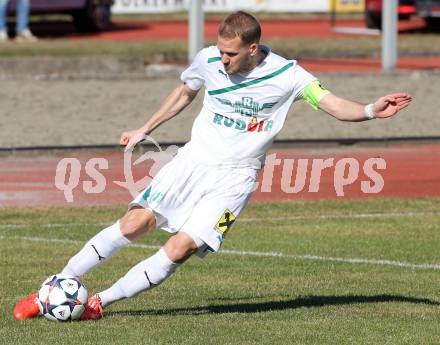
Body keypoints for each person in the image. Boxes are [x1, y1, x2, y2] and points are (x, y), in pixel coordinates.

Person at [13, 11, 412, 321]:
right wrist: (144, 127)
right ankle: (55, 286)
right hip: (192, 162)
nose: (222, 59)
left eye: (231, 53)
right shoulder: (208, 60)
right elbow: (184, 91)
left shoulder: (289, 76)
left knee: (180, 247)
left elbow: (332, 105)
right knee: (135, 223)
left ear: (253, 49)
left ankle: (100, 302)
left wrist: (370, 110)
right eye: (220, 51)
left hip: (236, 179)